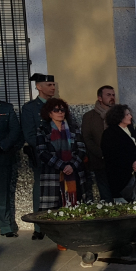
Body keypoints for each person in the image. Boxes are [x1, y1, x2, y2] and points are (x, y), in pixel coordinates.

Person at [36, 98, 88, 250]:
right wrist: (62, 166)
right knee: (57, 207)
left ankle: (75, 236)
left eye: (62, 110)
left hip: (73, 174)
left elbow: (81, 149)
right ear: (49, 113)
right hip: (53, 175)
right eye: (56, 110)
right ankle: (61, 239)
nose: (60, 113)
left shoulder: (73, 128)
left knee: (74, 204)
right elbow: (42, 151)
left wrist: (71, 165)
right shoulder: (43, 129)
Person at [21, 73, 56, 240]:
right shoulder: (29, 108)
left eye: (54, 85)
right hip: (41, 155)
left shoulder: (59, 105)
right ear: (39, 87)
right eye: (49, 85)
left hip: (59, 155)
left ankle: (57, 223)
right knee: (40, 191)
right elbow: (29, 134)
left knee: (59, 189)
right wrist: (47, 149)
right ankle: (39, 226)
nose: (53, 87)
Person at [0, 77, 20, 237]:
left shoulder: (7, 108)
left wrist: (2, 146)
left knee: (2, 193)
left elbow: (15, 130)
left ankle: (6, 226)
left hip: (1, 157)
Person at [101, 105, 136, 203]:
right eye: (127, 114)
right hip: (120, 178)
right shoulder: (109, 134)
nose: (130, 117)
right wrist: (132, 164)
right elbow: (112, 157)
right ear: (119, 116)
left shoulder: (131, 130)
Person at [81, 85, 115, 202]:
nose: (112, 97)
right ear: (100, 98)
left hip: (119, 163)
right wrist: (101, 153)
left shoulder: (120, 114)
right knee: (106, 197)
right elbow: (87, 138)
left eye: (113, 95)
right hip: (100, 162)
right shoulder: (89, 117)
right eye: (108, 95)